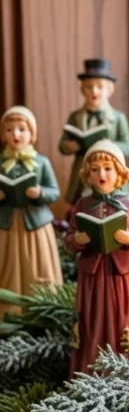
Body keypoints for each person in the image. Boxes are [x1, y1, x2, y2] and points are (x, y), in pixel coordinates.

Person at [64, 141, 129, 375]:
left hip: (125, 275)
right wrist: (78, 239)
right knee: (95, 317)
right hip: (93, 276)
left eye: (107, 168)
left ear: (119, 173)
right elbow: (68, 240)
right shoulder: (82, 205)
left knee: (126, 317)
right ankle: (93, 367)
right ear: (88, 175)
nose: (101, 174)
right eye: (95, 169)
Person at [0, 106, 62, 315]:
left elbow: (54, 192)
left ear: (31, 133)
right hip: (6, 225)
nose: (16, 134)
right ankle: (9, 310)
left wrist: (40, 193)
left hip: (35, 224)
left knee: (37, 266)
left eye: (21, 129)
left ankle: (43, 309)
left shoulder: (41, 162)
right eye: (10, 129)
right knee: (8, 266)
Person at [59, 58, 129, 205]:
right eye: (89, 87)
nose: (94, 91)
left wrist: (108, 145)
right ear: (83, 90)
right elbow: (62, 145)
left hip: (111, 172)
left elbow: (128, 147)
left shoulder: (118, 118)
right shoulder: (75, 117)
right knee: (83, 205)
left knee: (115, 204)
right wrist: (71, 146)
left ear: (109, 90)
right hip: (84, 172)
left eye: (100, 87)